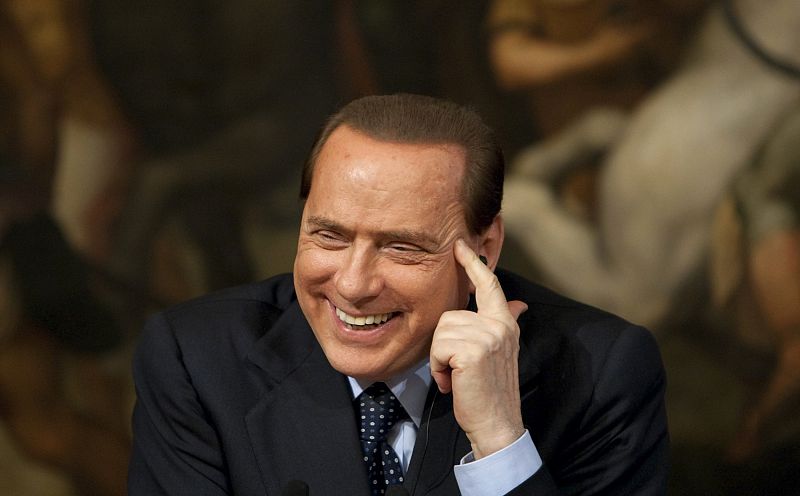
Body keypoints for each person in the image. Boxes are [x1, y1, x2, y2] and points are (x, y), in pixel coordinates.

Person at [128, 94, 668, 495]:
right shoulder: (196, 359)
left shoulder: (601, 374)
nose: (352, 284)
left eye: (401, 248)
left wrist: (499, 441)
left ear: (484, 250)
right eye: (329, 236)